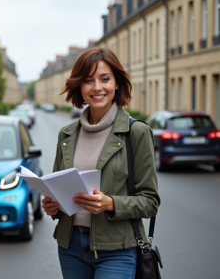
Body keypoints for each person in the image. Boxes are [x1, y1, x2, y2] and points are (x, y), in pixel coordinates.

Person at [41, 47, 160, 279]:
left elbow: (150, 201)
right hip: (70, 246)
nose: (97, 87)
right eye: (88, 80)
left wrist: (110, 204)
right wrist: (52, 207)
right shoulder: (66, 135)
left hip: (117, 249)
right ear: (80, 87)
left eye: (104, 79)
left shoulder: (136, 132)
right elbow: (58, 189)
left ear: (116, 83)